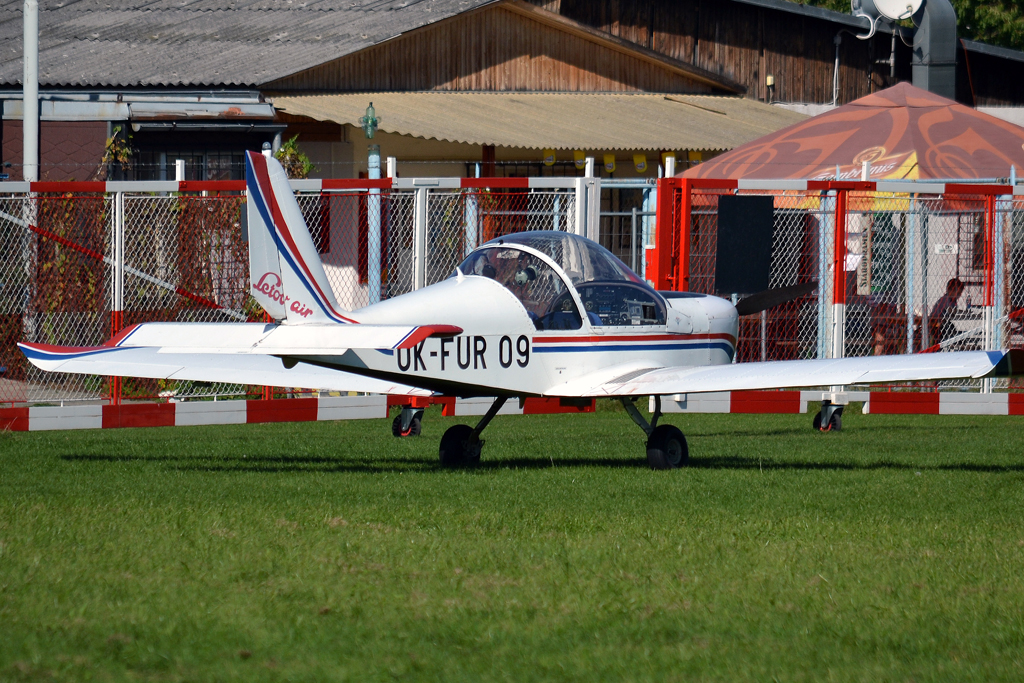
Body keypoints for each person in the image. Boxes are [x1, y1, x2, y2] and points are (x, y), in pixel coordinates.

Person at [929, 278, 965, 346]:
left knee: (952, 328)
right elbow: (952, 311)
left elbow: (954, 312)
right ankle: (958, 344)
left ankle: (959, 343)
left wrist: (965, 313)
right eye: (958, 293)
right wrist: (964, 313)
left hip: (945, 325)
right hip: (936, 326)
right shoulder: (945, 299)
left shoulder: (953, 301)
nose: (959, 295)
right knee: (952, 330)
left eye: (960, 293)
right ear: (950, 290)